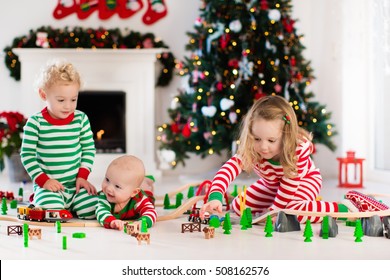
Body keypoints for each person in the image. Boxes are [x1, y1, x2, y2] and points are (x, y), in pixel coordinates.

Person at [200, 95, 389, 223]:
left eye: (271, 140)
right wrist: (216, 196)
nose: (263, 146)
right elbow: (229, 168)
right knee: (238, 208)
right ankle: (274, 207)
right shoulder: (253, 146)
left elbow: (288, 190)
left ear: (286, 136)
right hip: (273, 184)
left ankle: (345, 208)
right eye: (257, 138)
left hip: (303, 182)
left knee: (290, 212)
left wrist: (275, 212)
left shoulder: (296, 152)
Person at [20, 59, 98, 219]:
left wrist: (83, 176)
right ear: (44, 95)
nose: (68, 106)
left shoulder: (81, 119)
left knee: (93, 207)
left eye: (73, 99)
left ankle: (72, 206)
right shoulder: (35, 123)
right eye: (61, 100)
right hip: (48, 186)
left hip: (75, 186)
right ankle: (48, 202)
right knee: (51, 208)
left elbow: (89, 149)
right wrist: (44, 181)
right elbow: (27, 155)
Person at [96, 155, 157, 231]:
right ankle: (143, 181)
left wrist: (143, 222)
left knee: (148, 193)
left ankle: (146, 181)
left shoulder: (138, 199)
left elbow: (151, 212)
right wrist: (112, 221)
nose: (108, 188)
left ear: (134, 192)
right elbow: (100, 211)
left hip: (144, 194)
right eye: (107, 180)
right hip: (132, 190)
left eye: (117, 186)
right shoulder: (104, 196)